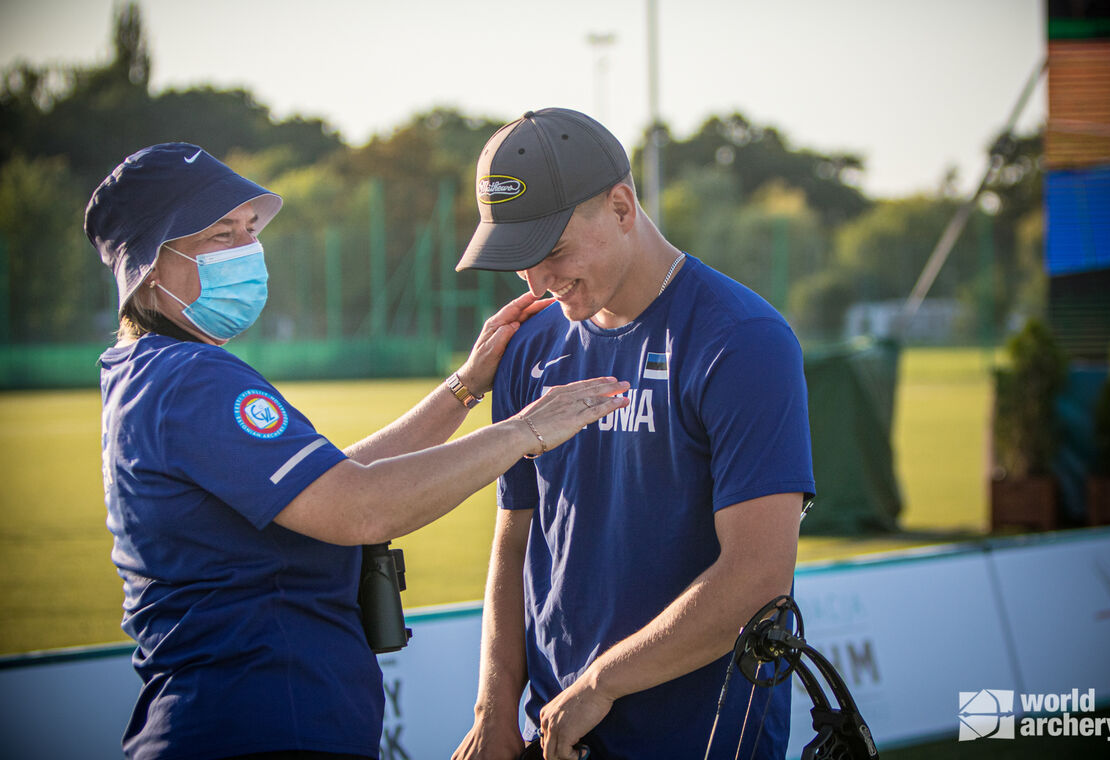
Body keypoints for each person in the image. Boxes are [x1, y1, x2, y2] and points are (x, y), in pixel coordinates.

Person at [85, 142, 630, 760]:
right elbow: (358, 507)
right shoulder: (191, 379)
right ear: (151, 266)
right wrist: (524, 431)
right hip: (255, 727)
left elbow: (332, 481)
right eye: (217, 236)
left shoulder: (150, 371)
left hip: (236, 723)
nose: (244, 249)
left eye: (248, 231)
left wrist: (465, 388)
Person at [451, 109, 815, 760]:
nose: (538, 281)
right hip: (559, 732)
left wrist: (601, 682)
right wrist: (495, 707)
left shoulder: (742, 341)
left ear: (622, 207)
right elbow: (517, 537)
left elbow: (759, 576)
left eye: (553, 251)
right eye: (519, 261)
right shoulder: (531, 343)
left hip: (703, 739)